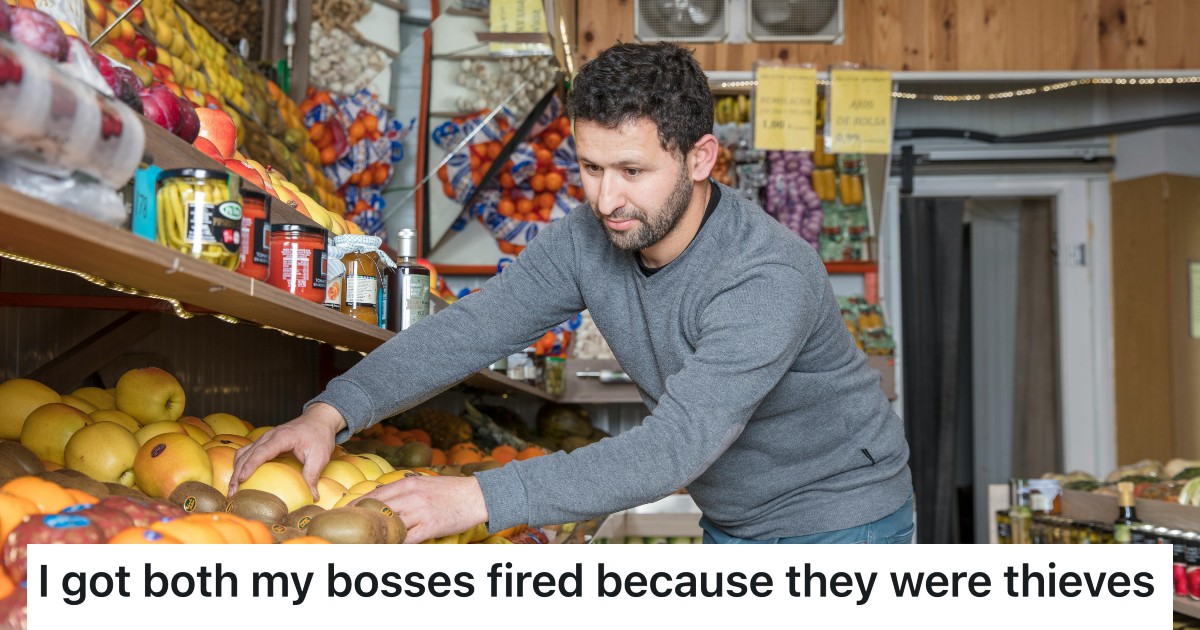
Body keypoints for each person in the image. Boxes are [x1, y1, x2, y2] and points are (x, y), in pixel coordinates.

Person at [230, 42, 914, 544]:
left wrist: (481, 495)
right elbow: (472, 327)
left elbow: (673, 448)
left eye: (632, 170)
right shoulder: (589, 237)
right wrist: (332, 411)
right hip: (733, 519)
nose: (607, 198)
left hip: (843, 520)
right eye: (590, 167)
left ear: (700, 159)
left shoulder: (767, 276)